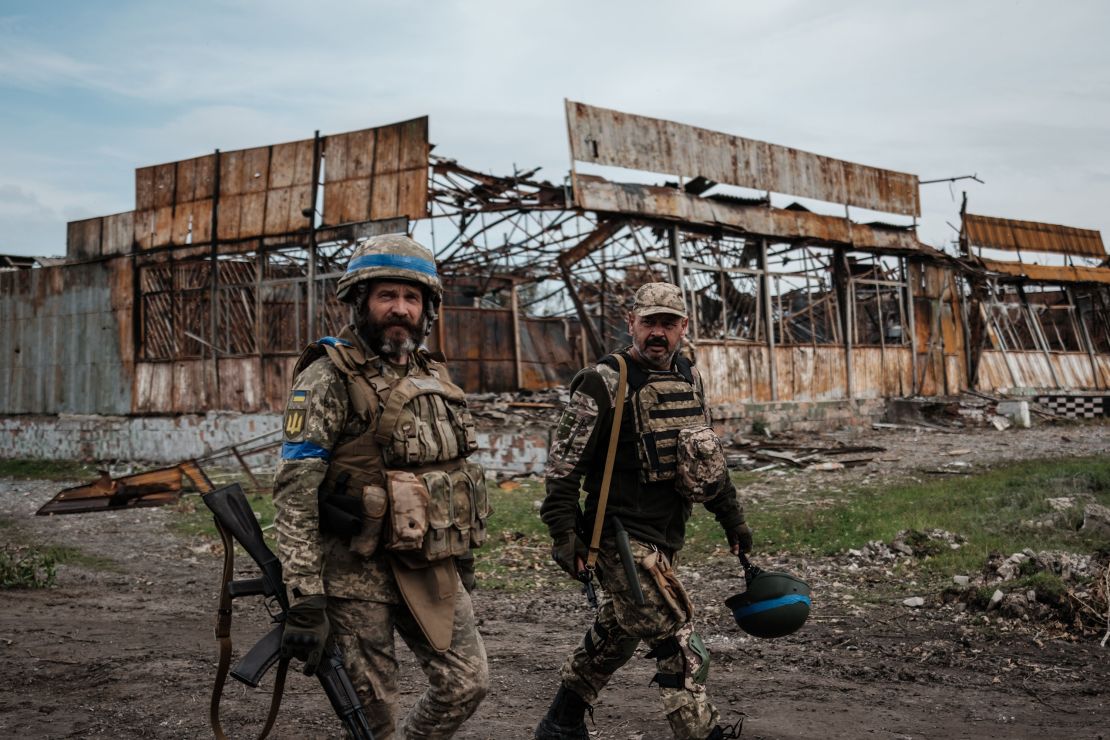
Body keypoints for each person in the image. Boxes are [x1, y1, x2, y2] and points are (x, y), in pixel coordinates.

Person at [272, 234, 490, 739]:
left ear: (427, 308)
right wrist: (304, 594)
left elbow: (454, 475)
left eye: (411, 298)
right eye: (386, 296)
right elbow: (295, 490)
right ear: (360, 301)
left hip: (429, 564)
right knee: (373, 717)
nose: (400, 309)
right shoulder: (327, 377)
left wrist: (463, 561)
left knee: (467, 683)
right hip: (354, 577)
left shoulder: (434, 375)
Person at [536, 281, 752, 740]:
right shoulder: (602, 381)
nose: (659, 333)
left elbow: (704, 458)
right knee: (676, 638)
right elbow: (563, 465)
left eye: (668, 324)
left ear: (684, 328)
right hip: (617, 539)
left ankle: (561, 722)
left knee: (618, 632)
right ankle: (701, 733)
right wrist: (563, 533)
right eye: (649, 322)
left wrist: (732, 518)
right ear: (631, 323)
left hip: (666, 535)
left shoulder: (689, 377)